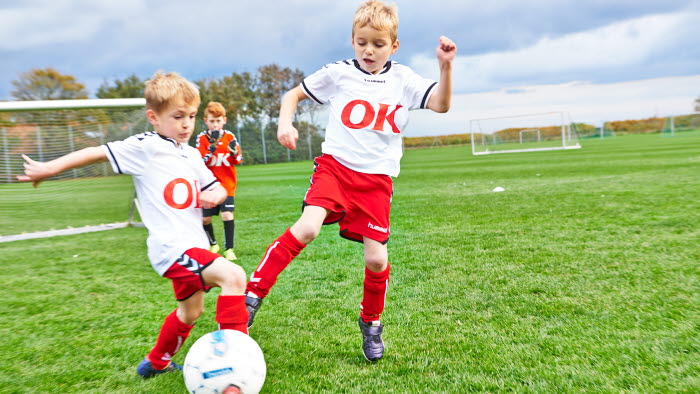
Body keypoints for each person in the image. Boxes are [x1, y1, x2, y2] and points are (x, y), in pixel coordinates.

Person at [244, 0, 456, 362]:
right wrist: (285, 122)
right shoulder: (339, 73)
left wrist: (445, 67)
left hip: (376, 182)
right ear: (352, 41)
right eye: (361, 42)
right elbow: (292, 95)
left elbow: (440, 105)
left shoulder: (403, 79)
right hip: (335, 169)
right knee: (307, 228)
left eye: (377, 43)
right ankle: (251, 297)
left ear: (393, 46)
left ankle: (371, 323)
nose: (368, 50)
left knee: (376, 259)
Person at [16, 72, 249, 378]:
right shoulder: (144, 147)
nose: (186, 124)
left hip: (194, 246)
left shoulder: (192, 154)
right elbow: (95, 152)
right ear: (153, 117)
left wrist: (214, 194)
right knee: (233, 275)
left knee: (191, 312)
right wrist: (48, 168)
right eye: (177, 116)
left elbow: (218, 187)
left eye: (191, 116)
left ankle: (156, 362)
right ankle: (237, 361)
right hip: (173, 248)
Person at [195, 102, 243, 261]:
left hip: (227, 186)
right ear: (205, 121)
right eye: (212, 121)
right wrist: (211, 149)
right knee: (205, 219)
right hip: (208, 187)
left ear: (224, 120)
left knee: (227, 214)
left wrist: (233, 153)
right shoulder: (202, 138)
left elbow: (239, 159)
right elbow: (199, 161)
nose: (215, 124)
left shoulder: (230, 137)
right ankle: (213, 243)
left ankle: (229, 249)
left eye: (218, 121)